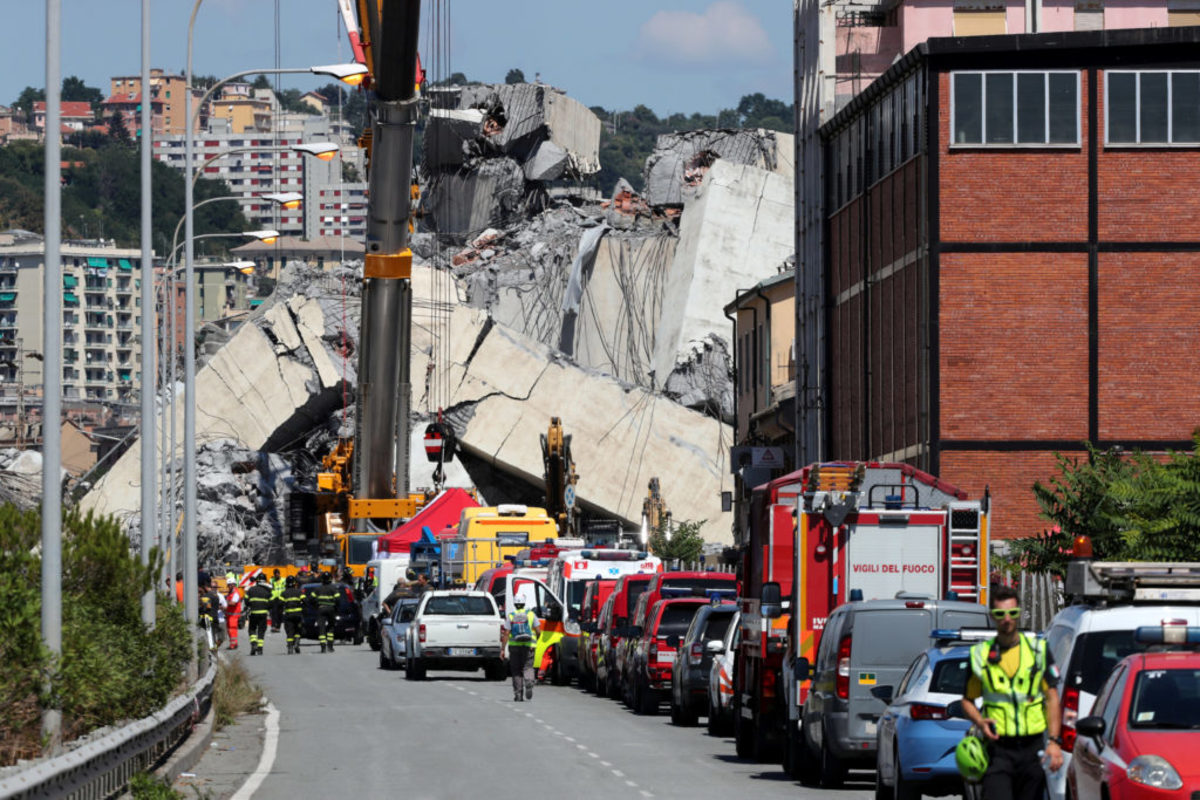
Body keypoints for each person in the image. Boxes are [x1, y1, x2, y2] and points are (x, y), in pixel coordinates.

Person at [961, 585, 1063, 800]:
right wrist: (980, 722)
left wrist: (1054, 742)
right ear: (993, 616)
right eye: (1000, 614)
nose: (1006, 619)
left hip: (1032, 747)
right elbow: (967, 701)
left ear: (1018, 614)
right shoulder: (980, 655)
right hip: (998, 749)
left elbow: (1052, 697)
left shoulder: (1038, 651)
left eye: (1012, 613)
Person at [502, 596, 541, 702]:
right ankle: (529, 682)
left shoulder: (511, 616)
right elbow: (538, 631)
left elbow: (506, 633)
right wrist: (534, 642)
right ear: (524, 603)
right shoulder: (531, 614)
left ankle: (518, 695)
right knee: (528, 667)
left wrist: (502, 649)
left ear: (515, 604)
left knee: (516, 671)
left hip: (514, 646)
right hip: (529, 646)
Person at [244, 573, 273, 656]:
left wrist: (251, 605)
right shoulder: (267, 591)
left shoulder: (251, 589)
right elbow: (271, 602)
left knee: (252, 629)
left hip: (253, 613)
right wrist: (266, 608)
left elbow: (246, 601)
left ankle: (253, 644)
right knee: (261, 631)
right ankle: (260, 649)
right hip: (263, 614)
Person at [314, 571, 341, 653]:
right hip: (331, 609)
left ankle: (323, 647)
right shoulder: (333, 588)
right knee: (331, 627)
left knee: (321, 627)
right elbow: (338, 599)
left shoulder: (318, 588)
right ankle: (330, 646)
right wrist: (336, 608)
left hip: (321, 609)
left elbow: (311, 599)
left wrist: (316, 606)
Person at [281, 575, 304, 654]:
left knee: (290, 631)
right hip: (298, 615)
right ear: (294, 583)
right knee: (298, 630)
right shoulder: (299, 592)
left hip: (288, 615)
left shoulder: (284, 593)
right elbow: (305, 601)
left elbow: (280, 604)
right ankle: (297, 643)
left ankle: (290, 647)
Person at [224, 573, 243, 650]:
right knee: (230, 629)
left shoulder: (235, 593)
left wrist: (225, 602)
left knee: (232, 629)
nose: (228, 587)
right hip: (230, 615)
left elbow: (233, 603)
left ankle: (233, 644)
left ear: (232, 585)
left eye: (229, 585)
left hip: (233, 615)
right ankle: (234, 643)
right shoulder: (231, 592)